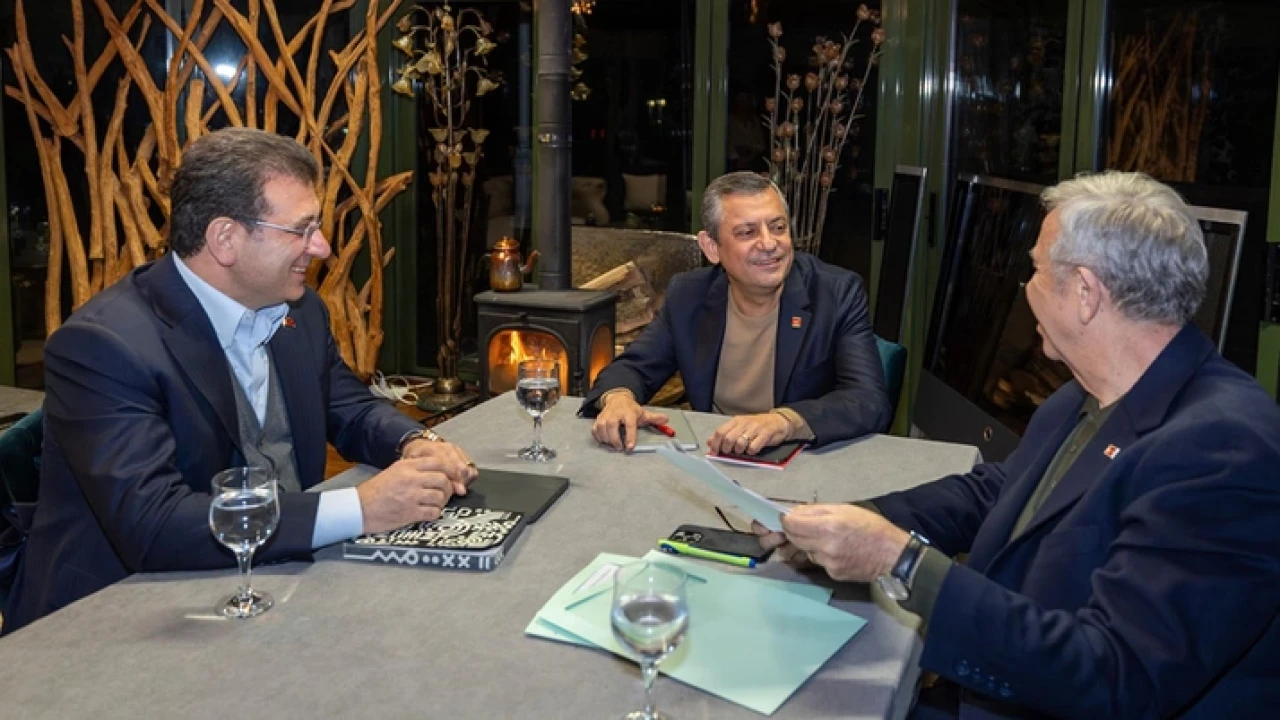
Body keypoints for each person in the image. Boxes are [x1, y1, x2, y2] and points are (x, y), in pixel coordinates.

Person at [756, 172, 1280, 718]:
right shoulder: (1086, 394)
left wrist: (903, 563)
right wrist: (852, 519)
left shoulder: (1223, 451)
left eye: (1036, 270)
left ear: (1085, 292)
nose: (1024, 290)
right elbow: (999, 492)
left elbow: (1115, 678)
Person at [4, 128, 477, 633]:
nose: (321, 247)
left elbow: (350, 408)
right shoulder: (102, 346)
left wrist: (414, 442)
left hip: (275, 585)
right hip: (117, 618)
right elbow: (153, 525)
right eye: (301, 229)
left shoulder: (299, 311)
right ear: (225, 239)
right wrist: (360, 509)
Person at [581, 171, 891, 454]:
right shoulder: (689, 295)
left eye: (778, 227)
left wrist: (784, 421)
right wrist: (618, 398)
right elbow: (635, 367)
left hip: (802, 461)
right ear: (711, 247)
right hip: (716, 456)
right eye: (747, 232)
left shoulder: (834, 293)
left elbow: (868, 400)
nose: (769, 243)